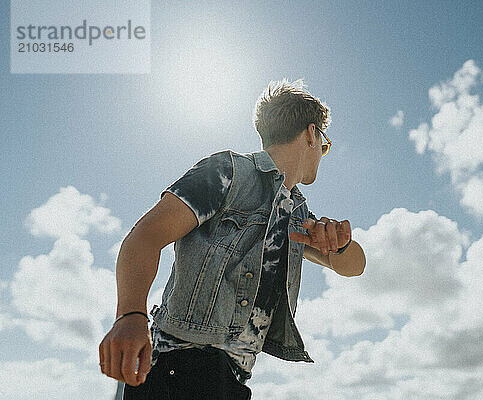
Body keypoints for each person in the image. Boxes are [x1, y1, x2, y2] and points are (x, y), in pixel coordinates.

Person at [99, 78, 367, 399]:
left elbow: (354, 266)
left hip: (232, 380)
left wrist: (340, 245)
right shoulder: (228, 173)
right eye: (324, 144)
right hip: (177, 367)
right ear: (312, 133)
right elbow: (145, 236)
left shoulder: (296, 214)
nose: (323, 153)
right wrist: (130, 315)